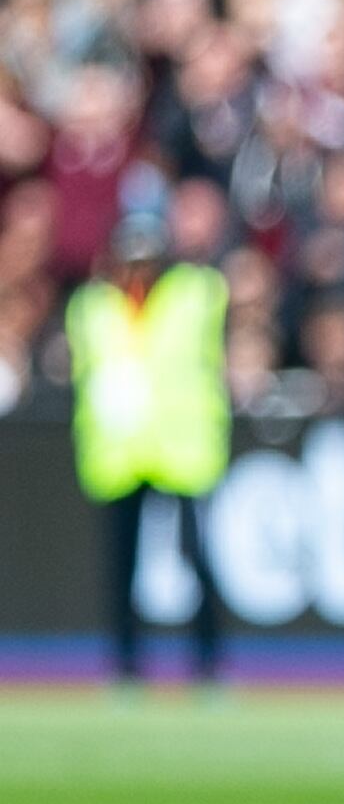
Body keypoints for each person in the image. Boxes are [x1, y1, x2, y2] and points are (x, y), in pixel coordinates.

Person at [66, 213, 230, 686]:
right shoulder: (92, 306)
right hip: (121, 451)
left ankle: (207, 664)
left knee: (199, 562)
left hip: (183, 448)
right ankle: (126, 665)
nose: (138, 272)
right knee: (122, 567)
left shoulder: (194, 294)